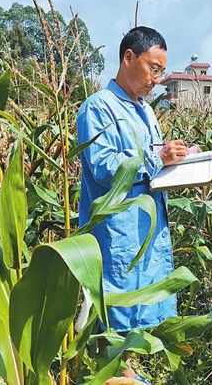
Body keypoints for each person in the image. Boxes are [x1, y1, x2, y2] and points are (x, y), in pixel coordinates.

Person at [77, 26, 188, 381]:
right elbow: (105, 166)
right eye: (153, 68)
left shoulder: (145, 110)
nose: (156, 79)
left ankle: (123, 371)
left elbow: (152, 159)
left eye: (161, 72)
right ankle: (117, 373)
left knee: (137, 307)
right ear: (129, 58)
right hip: (117, 232)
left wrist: (178, 159)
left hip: (145, 229)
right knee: (115, 308)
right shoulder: (97, 108)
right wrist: (158, 160)